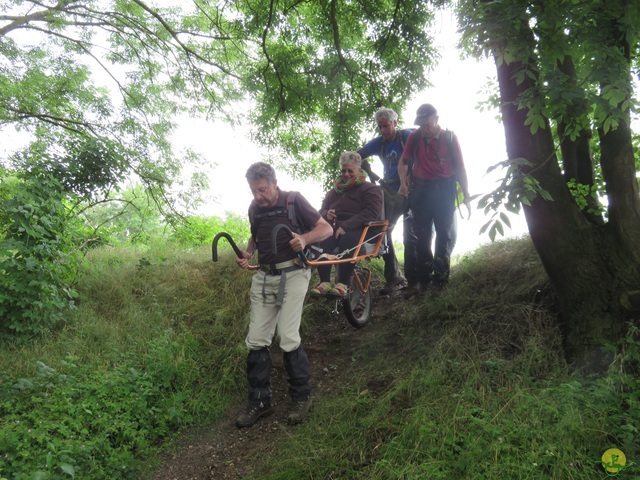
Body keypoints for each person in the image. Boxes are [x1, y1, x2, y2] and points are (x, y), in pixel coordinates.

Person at [235, 162, 332, 428]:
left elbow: (326, 228)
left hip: (294, 274)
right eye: (254, 191)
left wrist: (305, 238)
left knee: (288, 336)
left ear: (274, 184)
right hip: (264, 276)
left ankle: (302, 398)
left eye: (263, 190)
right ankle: (259, 401)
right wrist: (247, 254)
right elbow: (255, 239)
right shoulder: (255, 209)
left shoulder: (294, 200)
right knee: (256, 340)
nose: (258, 196)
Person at [398, 103, 471, 297]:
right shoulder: (415, 137)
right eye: (421, 123)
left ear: (436, 119)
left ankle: (440, 280)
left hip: (444, 191)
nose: (425, 127)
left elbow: (461, 168)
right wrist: (403, 182)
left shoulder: (449, 138)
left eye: (427, 122)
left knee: (444, 235)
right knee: (422, 237)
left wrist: (467, 195)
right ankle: (424, 279)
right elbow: (403, 162)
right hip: (421, 192)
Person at [309, 151, 383, 298]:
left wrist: (347, 225)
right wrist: (326, 214)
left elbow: (372, 212)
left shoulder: (371, 189)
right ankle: (325, 282)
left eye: (350, 171)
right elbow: (321, 211)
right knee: (322, 238)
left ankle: (343, 283)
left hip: (361, 227)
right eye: (343, 171)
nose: (346, 174)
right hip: (336, 227)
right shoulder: (334, 191)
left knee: (348, 238)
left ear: (358, 169)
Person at [357, 107, 414, 295]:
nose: (383, 130)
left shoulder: (407, 136)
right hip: (389, 191)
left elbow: (425, 144)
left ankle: (417, 278)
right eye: (380, 127)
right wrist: (370, 173)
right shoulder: (379, 143)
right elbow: (357, 156)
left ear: (394, 123)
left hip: (411, 188)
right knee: (383, 232)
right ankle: (394, 277)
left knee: (413, 233)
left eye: (386, 125)